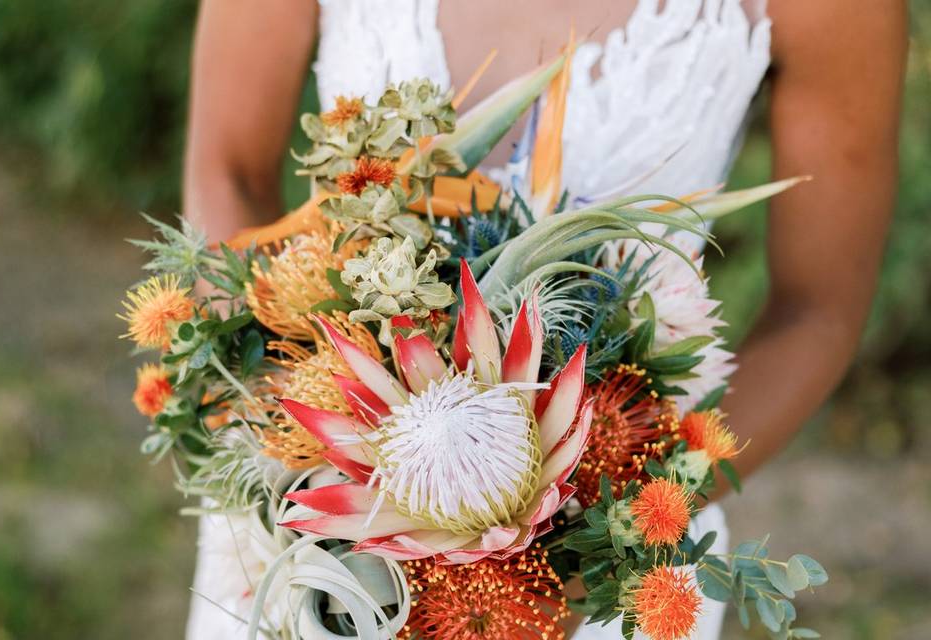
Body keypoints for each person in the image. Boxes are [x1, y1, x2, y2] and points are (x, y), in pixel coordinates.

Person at [182, 1, 907, 637]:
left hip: (599, 560)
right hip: (312, 519)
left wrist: (595, 546)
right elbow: (228, 173)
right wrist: (288, 447)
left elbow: (817, 311)